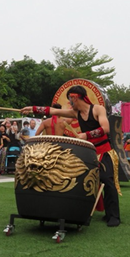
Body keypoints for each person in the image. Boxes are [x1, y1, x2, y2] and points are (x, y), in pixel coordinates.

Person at [21, 84, 121, 227]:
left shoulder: (98, 109)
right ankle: (85, 210)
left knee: (107, 181)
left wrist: (86, 135)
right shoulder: (76, 113)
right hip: (91, 152)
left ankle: (114, 216)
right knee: (86, 181)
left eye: (70, 99)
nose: (69, 103)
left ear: (75, 98)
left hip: (105, 151)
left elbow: (105, 128)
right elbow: (53, 110)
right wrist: (33, 109)